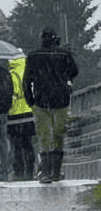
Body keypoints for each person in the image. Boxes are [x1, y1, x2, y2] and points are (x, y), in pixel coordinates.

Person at [24, 27, 78, 183]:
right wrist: (63, 79)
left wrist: (30, 100)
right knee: (58, 135)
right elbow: (74, 71)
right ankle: (56, 171)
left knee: (45, 137)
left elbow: (27, 80)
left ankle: (46, 172)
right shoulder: (64, 55)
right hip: (61, 100)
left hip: (41, 101)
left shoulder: (34, 55)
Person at [7, 55, 37, 181]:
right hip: (28, 113)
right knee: (28, 145)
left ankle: (18, 172)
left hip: (13, 114)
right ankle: (30, 172)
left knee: (16, 146)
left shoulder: (10, 73)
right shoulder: (29, 70)